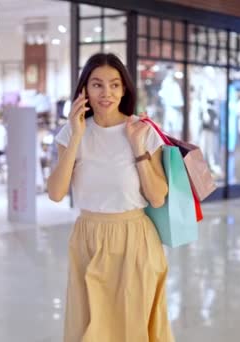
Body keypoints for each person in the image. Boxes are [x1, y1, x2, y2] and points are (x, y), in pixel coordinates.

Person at [47, 53, 174, 342]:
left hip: (134, 238)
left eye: (115, 85)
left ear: (125, 89)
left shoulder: (141, 129)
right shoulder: (72, 133)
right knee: (87, 328)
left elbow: (156, 197)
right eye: (98, 85)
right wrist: (77, 134)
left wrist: (137, 146)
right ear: (84, 90)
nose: (107, 93)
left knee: (131, 329)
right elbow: (55, 193)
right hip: (88, 238)